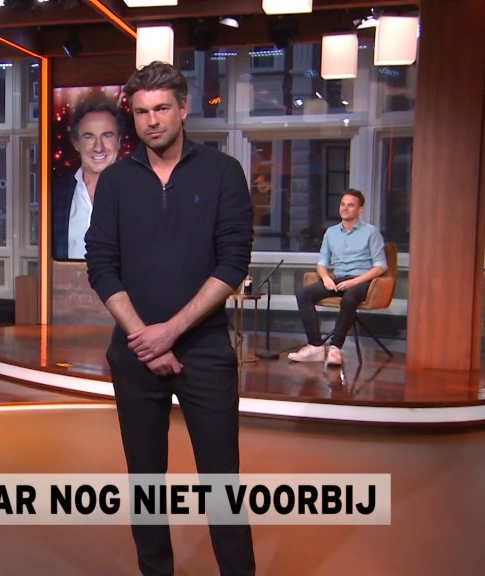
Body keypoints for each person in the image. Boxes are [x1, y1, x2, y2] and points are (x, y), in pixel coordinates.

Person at [85, 62, 255, 575]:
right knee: (145, 481)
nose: (152, 120)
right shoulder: (115, 181)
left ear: (183, 109)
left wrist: (172, 332)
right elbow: (101, 264)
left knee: (221, 482)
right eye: (141, 112)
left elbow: (232, 264)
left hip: (204, 350)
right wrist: (143, 337)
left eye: (161, 108)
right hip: (135, 353)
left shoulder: (222, 173)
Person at [288, 189, 387, 366]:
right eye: (342, 204)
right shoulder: (331, 233)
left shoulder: (371, 232)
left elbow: (381, 266)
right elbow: (322, 263)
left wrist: (354, 282)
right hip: (338, 278)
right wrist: (326, 278)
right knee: (303, 294)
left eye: (351, 205)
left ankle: (335, 348)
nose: (345, 208)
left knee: (349, 298)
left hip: (362, 280)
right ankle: (315, 347)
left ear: (360, 209)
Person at [53, 99, 125, 259]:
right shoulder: (56, 193)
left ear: (119, 141)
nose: (98, 147)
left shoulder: (139, 193)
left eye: (107, 135)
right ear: (76, 143)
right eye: (89, 137)